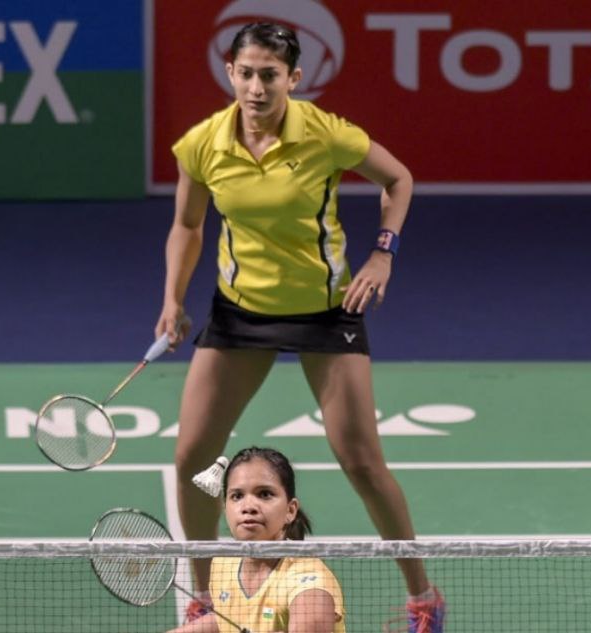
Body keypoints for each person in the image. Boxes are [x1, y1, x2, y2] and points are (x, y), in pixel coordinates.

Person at [155, 22, 444, 633]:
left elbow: (398, 179)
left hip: (325, 311)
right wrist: (172, 300)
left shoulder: (324, 133)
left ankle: (423, 597)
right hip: (241, 311)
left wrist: (383, 253)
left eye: (270, 75)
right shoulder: (203, 144)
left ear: (294, 78)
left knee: (361, 461)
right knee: (192, 457)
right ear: (230, 73)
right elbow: (187, 226)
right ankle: (204, 596)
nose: (257, 88)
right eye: (246, 73)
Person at [168, 447, 344, 633]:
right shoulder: (224, 563)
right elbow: (229, 618)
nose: (248, 507)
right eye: (237, 496)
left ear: (290, 510)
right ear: (225, 508)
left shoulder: (309, 585)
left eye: (264, 494)